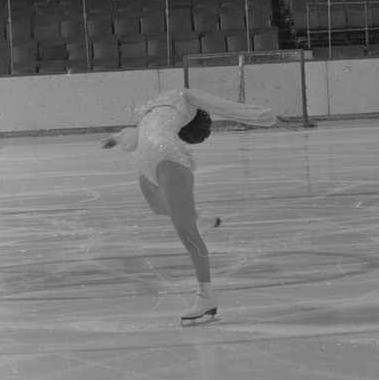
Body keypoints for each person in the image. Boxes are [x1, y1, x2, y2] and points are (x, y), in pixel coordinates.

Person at [101, 88, 279, 323]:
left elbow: (224, 106)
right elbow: (138, 133)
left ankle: (206, 297)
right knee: (158, 207)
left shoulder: (185, 99)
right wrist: (117, 138)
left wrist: (269, 117)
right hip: (150, 165)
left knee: (189, 237)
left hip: (169, 161)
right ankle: (198, 218)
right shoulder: (157, 113)